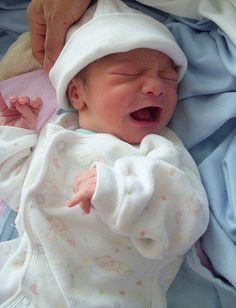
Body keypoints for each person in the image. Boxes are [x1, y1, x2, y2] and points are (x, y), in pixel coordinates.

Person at [0, 1, 209, 307]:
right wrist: (15, 138)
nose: (155, 87)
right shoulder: (57, 134)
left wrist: (117, 189)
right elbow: (22, 194)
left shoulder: (158, 152)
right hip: (19, 280)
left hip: (99, 296)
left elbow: (186, 216)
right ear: (76, 93)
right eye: (128, 75)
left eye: (167, 78)